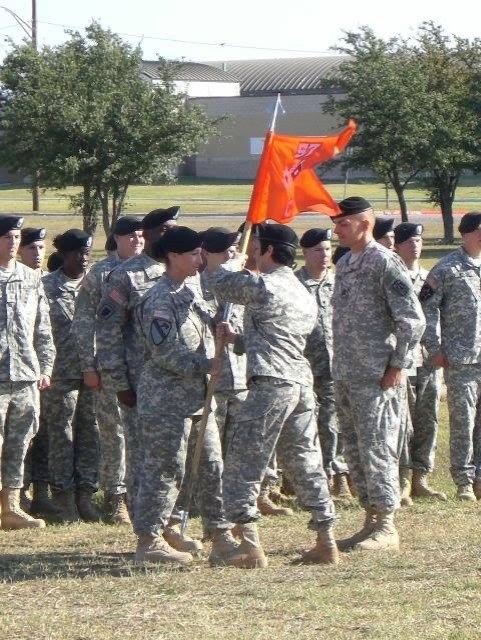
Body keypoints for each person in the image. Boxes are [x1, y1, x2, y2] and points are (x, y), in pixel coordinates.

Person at [209, 223, 338, 568]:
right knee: (305, 461)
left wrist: (232, 261)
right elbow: (276, 337)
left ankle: (248, 545)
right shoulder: (300, 291)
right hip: (298, 383)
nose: (252, 252)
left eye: (256, 247)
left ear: (267, 250)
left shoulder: (265, 285)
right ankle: (326, 538)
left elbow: (217, 283)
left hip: (271, 384)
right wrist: (237, 339)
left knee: (243, 463)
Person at [134, 227, 237, 566]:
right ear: (174, 256)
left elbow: (208, 321)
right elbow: (165, 352)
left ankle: (220, 534)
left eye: (200, 253)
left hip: (197, 398)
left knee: (211, 465)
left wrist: (221, 328)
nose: (199, 259)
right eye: (193, 254)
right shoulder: (159, 300)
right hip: (166, 401)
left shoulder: (192, 289)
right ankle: (149, 539)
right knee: (166, 467)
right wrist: (207, 364)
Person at [96, 207, 197, 549]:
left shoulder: (187, 273)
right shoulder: (126, 276)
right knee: (146, 460)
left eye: (175, 228)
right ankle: (148, 533)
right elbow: (107, 331)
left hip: (181, 384)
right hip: (141, 385)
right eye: (165, 229)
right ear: (151, 234)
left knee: (177, 458)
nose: (172, 233)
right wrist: (118, 382)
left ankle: (171, 525)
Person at [332, 197, 425, 551]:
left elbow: (412, 320)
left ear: (364, 223)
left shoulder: (384, 262)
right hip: (347, 372)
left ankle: (387, 524)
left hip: (375, 375)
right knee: (355, 449)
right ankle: (370, 516)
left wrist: (397, 365)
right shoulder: (346, 263)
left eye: (343, 223)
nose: (337, 229)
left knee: (377, 447)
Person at [72, 216, 144, 524]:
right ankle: (116, 499)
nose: (137, 241)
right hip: (110, 367)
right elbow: (84, 323)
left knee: (143, 433)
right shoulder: (101, 273)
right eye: (130, 236)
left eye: (141, 235)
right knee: (113, 433)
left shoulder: (153, 270)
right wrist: (89, 365)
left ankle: (142, 494)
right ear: (116, 238)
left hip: (146, 370)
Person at [420, 211, 481, 501]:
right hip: (460, 358)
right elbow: (426, 310)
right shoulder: (446, 269)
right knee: (463, 421)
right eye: (479, 230)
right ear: (465, 233)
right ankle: (464, 481)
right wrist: (435, 347)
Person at [0, 215, 55, 530]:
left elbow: (42, 327)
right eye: (7, 237)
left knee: (20, 440)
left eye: (16, 237)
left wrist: (45, 366)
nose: (13, 243)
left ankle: (11, 506)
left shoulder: (31, 277)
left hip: (24, 374)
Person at [42, 229, 100, 522]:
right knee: (61, 435)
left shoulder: (96, 284)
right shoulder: (46, 287)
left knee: (92, 432)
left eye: (87, 252)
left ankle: (86, 494)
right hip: (60, 373)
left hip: (94, 373)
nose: (84, 258)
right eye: (78, 253)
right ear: (64, 255)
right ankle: (62, 497)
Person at [295, 228, 352, 499]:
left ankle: (336, 473)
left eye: (328, 249)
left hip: (335, 365)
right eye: (318, 250)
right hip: (303, 366)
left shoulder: (339, 282)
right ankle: (298, 478)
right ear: (305, 253)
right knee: (304, 424)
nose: (325, 255)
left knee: (333, 422)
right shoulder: (294, 285)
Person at [394, 223, 445, 502]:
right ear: (397, 246)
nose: (415, 245)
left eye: (419, 240)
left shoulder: (431, 279)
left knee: (428, 419)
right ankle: (401, 478)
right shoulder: (392, 278)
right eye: (409, 241)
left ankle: (420, 478)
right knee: (404, 422)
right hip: (402, 360)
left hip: (428, 360)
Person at [18, 227, 58, 519]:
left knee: (37, 435)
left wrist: (45, 367)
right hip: (12, 375)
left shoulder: (36, 282)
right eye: (31, 247)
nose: (37, 253)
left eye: (41, 248)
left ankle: (37, 493)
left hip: (32, 374)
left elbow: (43, 331)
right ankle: (17, 493)